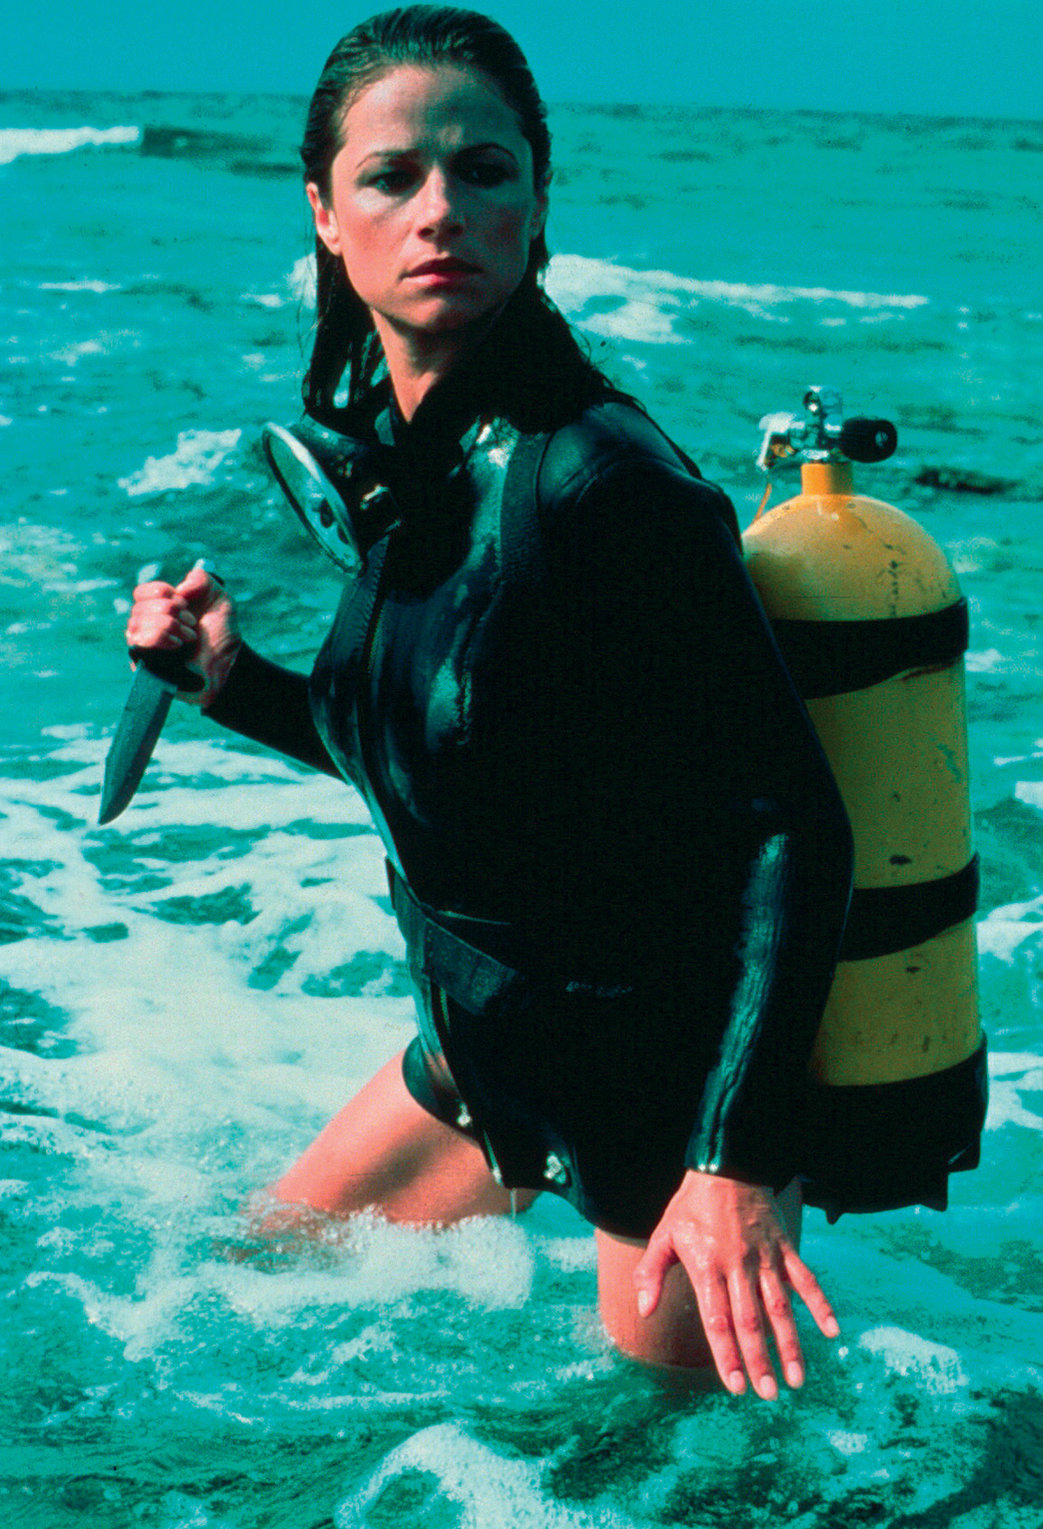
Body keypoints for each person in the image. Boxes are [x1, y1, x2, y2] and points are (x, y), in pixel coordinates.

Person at [125, 5, 854, 1400]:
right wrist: (231, 682)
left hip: (655, 1105)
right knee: (224, 1300)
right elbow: (460, 758)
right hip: (485, 1060)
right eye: (392, 175)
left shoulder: (605, 483)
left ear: (537, 201)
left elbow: (792, 825)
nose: (441, 209)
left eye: (484, 169)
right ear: (324, 214)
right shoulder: (413, 460)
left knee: (682, 1482)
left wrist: (733, 1165)